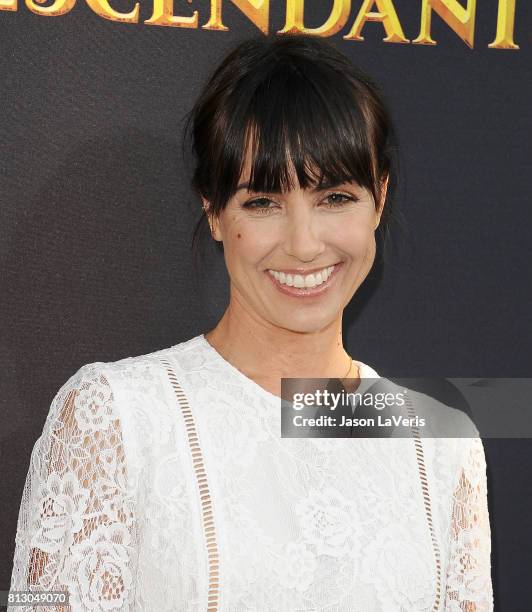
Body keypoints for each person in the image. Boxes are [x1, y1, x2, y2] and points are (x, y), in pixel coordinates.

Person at [9, 33, 493, 611]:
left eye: (335, 197)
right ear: (213, 211)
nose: (305, 244)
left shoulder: (440, 443)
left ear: (379, 199)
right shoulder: (112, 418)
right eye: (262, 203)